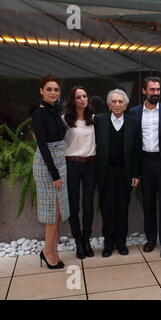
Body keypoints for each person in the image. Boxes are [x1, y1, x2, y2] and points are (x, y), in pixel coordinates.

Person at [129, 76, 161, 258]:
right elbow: (132, 144)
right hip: (144, 163)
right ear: (144, 91)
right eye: (152, 90)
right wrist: (135, 171)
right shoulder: (134, 112)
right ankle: (151, 239)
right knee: (148, 204)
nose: (155, 93)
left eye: (157, 90)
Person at [95, 89, 140, 257]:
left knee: (122, 208)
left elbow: (136, 150)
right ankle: (108, 244)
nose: (117, 104)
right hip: (106, 173)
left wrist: (136, 174)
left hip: (125, 172)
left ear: (126, 104)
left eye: (120, 102)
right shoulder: (99, 121)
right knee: (107, 209)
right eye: (113, 101)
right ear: (108, 105)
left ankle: (121, 243)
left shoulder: (133, 122)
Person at [32, 75, 70, 269]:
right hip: (47, 166)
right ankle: (47, 251)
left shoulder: (55, 111)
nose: (53, 92)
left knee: (57, 211)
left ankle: (52, 249)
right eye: (49, 89)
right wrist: (54, 173)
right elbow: (43, 146)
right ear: (41, 91)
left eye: (56, 89)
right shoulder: (39, 114)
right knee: (51, 211)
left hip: (59, 163)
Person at [63, 85, 96, 259]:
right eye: (78, 97)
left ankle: (86, 238)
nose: (83, 99)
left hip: (91, 165)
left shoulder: (94, 119)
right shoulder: (65, 120)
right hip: (72, 165)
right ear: (72, 100)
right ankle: (78, 241)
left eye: (85, 96)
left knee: (88, 205)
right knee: (74, 205)